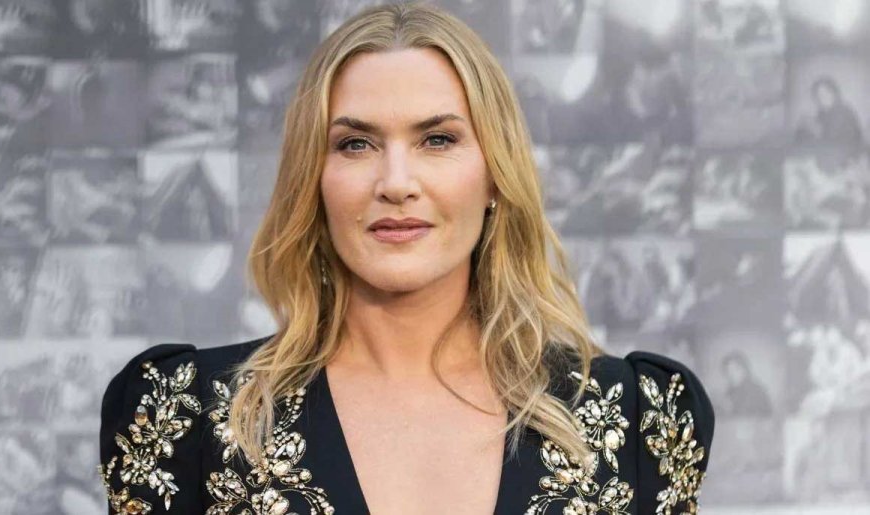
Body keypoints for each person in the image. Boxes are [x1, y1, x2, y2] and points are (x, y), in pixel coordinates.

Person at [98, 3, 714, 514]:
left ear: (494, 175)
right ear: (313, 180)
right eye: (355, 144)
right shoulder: (185, 412)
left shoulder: (640, 416)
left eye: (437, 139)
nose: (396, 182)